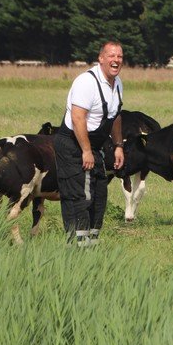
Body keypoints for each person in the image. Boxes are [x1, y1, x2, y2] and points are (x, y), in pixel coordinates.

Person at [55, 41, 125, 246]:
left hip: (94, 145)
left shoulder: (118, 83)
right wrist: (86, 150)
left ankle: (91, 244)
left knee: (99, 194)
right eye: (111, 56)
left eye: (120, 56)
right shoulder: (86, 82)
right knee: (79, 195)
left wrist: (118, 145)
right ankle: (75, 246)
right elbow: (78, 118)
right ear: (101, 58)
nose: (116, 60)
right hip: (72, 143)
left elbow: (116, 115)